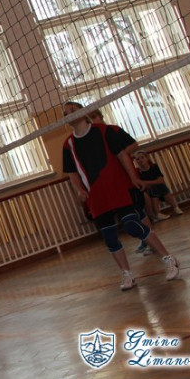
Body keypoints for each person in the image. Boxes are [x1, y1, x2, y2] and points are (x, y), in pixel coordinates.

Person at [61, 101, 180, 291]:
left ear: (83, 113)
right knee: (109, 237)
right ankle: (127, 274)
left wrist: (133, 178)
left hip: (118, 187)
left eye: (73, 110)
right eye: (66, 113)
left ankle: (168, 258)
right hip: (96, 195)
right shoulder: (68, 144)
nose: (69, 114)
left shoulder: (104, 131)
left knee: (132, 225)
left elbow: (123, 155)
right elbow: (72, 173)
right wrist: (80, 190)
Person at [87, 107, 154, 253]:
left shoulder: (113, 130)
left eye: (94, 117)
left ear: (101, 116)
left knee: (138, 211)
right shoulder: (93, 139)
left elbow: (134, 144)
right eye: (90, 119)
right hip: (113, 182)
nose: (93, 121)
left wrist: (119, 154)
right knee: (129, 216)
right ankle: (145, 240)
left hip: (127, 178)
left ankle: (151, 241)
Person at [135, 150, 183, 220]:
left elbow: (161, 180)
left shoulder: (154, 166)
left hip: (159, 187)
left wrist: (147, 182)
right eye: (138, 159)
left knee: (161, 187)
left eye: (142, 157)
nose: (140, 160)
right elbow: (143, 185)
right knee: (154, 189)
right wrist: (152, 183)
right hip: (149, 190)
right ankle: (160, 212)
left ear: (147, 158)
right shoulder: (138, 171)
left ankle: (175, 208)